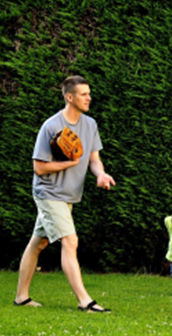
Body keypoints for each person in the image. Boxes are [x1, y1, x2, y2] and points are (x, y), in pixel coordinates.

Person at [14, 75, 115, 312]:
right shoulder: (51, 126)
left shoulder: (90, 124)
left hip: (68, 195)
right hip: (48, 193)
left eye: (89, 93)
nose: (89, 97)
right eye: (83, 94)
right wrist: (67, 164)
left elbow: (94, 160)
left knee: (38, 243)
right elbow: (39, 168)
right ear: (70, 97)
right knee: (70, 241)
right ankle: (85, 301)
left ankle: (21, 297)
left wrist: (100, 174)